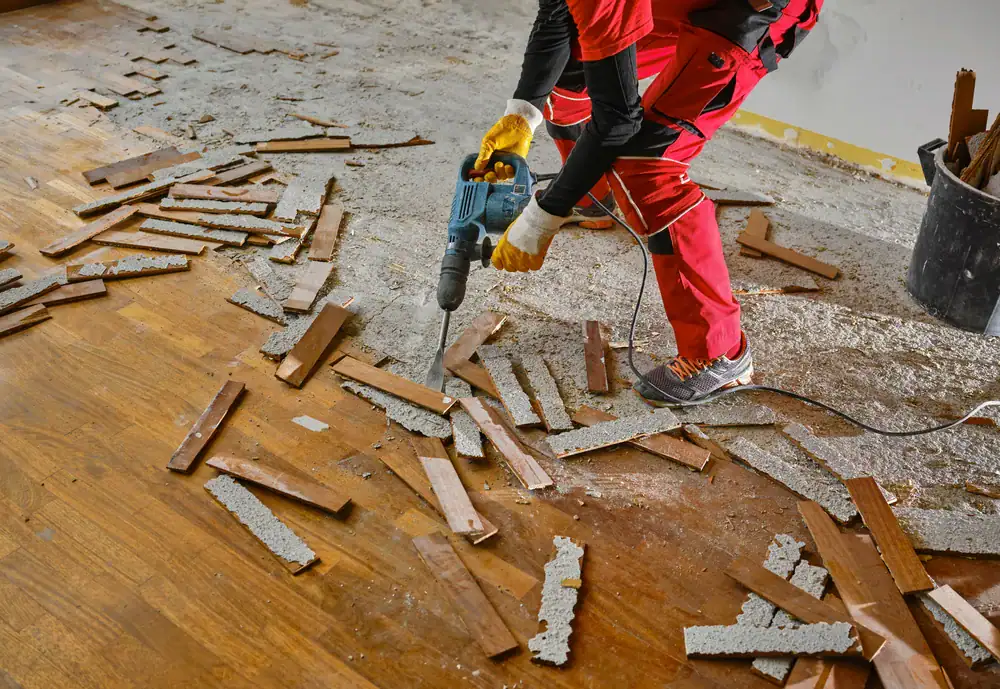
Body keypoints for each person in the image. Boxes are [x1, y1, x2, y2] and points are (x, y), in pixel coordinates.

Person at [474, 0, 822, 406]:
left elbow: (618, 120)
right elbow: (558, 13)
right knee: (569, 81)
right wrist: (523, 113)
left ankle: (720, 353)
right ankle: (591, 196)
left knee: (645, 166)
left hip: (746, 10)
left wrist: (541, 219)